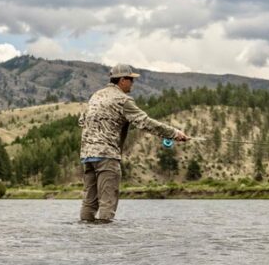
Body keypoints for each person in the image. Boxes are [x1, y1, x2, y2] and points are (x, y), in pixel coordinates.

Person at [79, 63, 188, 222]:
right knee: (107, 202)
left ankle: (85, 237)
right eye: (130, 79)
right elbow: (145, 122)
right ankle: (104, 243)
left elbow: (82, 121)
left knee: (89, 202)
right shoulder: (123, 100)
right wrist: (173, 133)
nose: (132, 83)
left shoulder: (96, 96)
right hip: (107, 156)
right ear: (122, 80)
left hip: (87, 156)